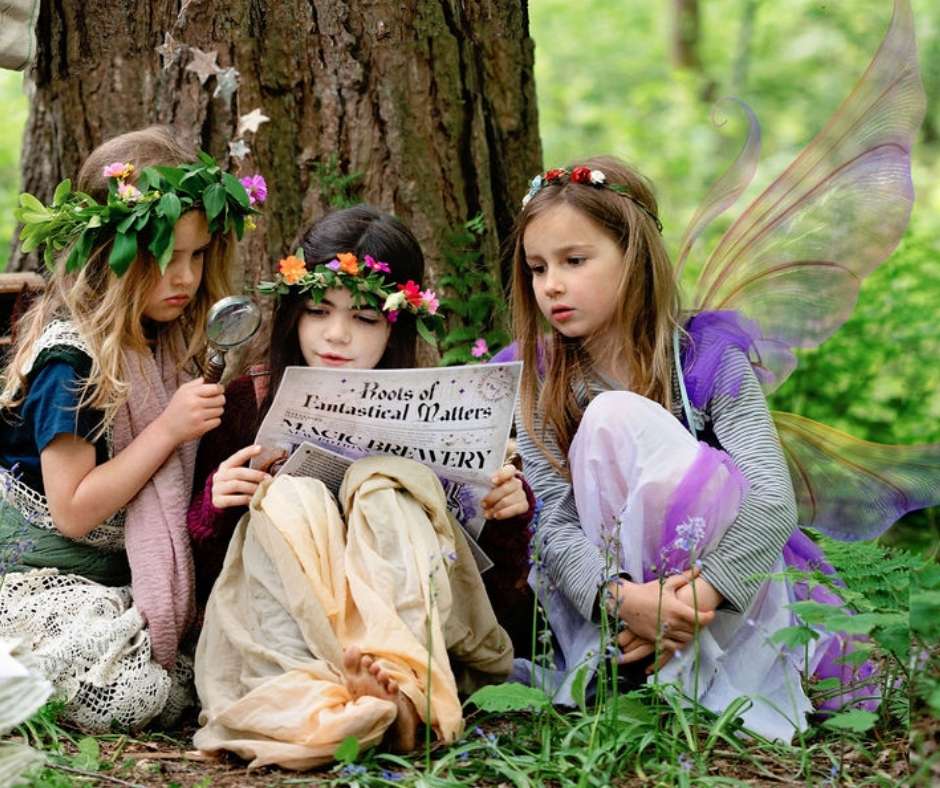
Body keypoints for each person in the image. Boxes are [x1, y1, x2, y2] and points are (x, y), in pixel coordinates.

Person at [508, 157, 882, 742]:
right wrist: (622, 599)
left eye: (574, 261)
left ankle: (697, 658)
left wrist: (701, 595)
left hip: (718, 592)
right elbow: (553, 520)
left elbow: (772, 499)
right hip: (613, 596)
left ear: (634, 258)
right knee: (607, 421)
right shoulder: (540, 375)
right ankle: (633, 658)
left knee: (617, 416)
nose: (550, 284)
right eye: (537, 268)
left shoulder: (706, 356)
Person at [189, 205, 534, 769]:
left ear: (397, 324)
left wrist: (506, 519)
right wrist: (217, 502)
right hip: (282, 633)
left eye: (366, 319)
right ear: (292, 314)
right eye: (317, 311)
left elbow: (497, 598)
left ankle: (400, 685)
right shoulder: (245, 400)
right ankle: (330, 698)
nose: (336, 335)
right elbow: (209, 573)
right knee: (289, 497)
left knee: (386, 484)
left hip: (417, 624)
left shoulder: (442, 410)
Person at [0, 126, 258, 731]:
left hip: (121, 581)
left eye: (198, 256)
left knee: (218, 663)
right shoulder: (68, 363)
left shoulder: (167, 342)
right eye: (165, 257)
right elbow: (73, 511)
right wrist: (168, 430)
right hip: (39, 578)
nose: (186, 278)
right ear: (107, 253)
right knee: (135, 688)